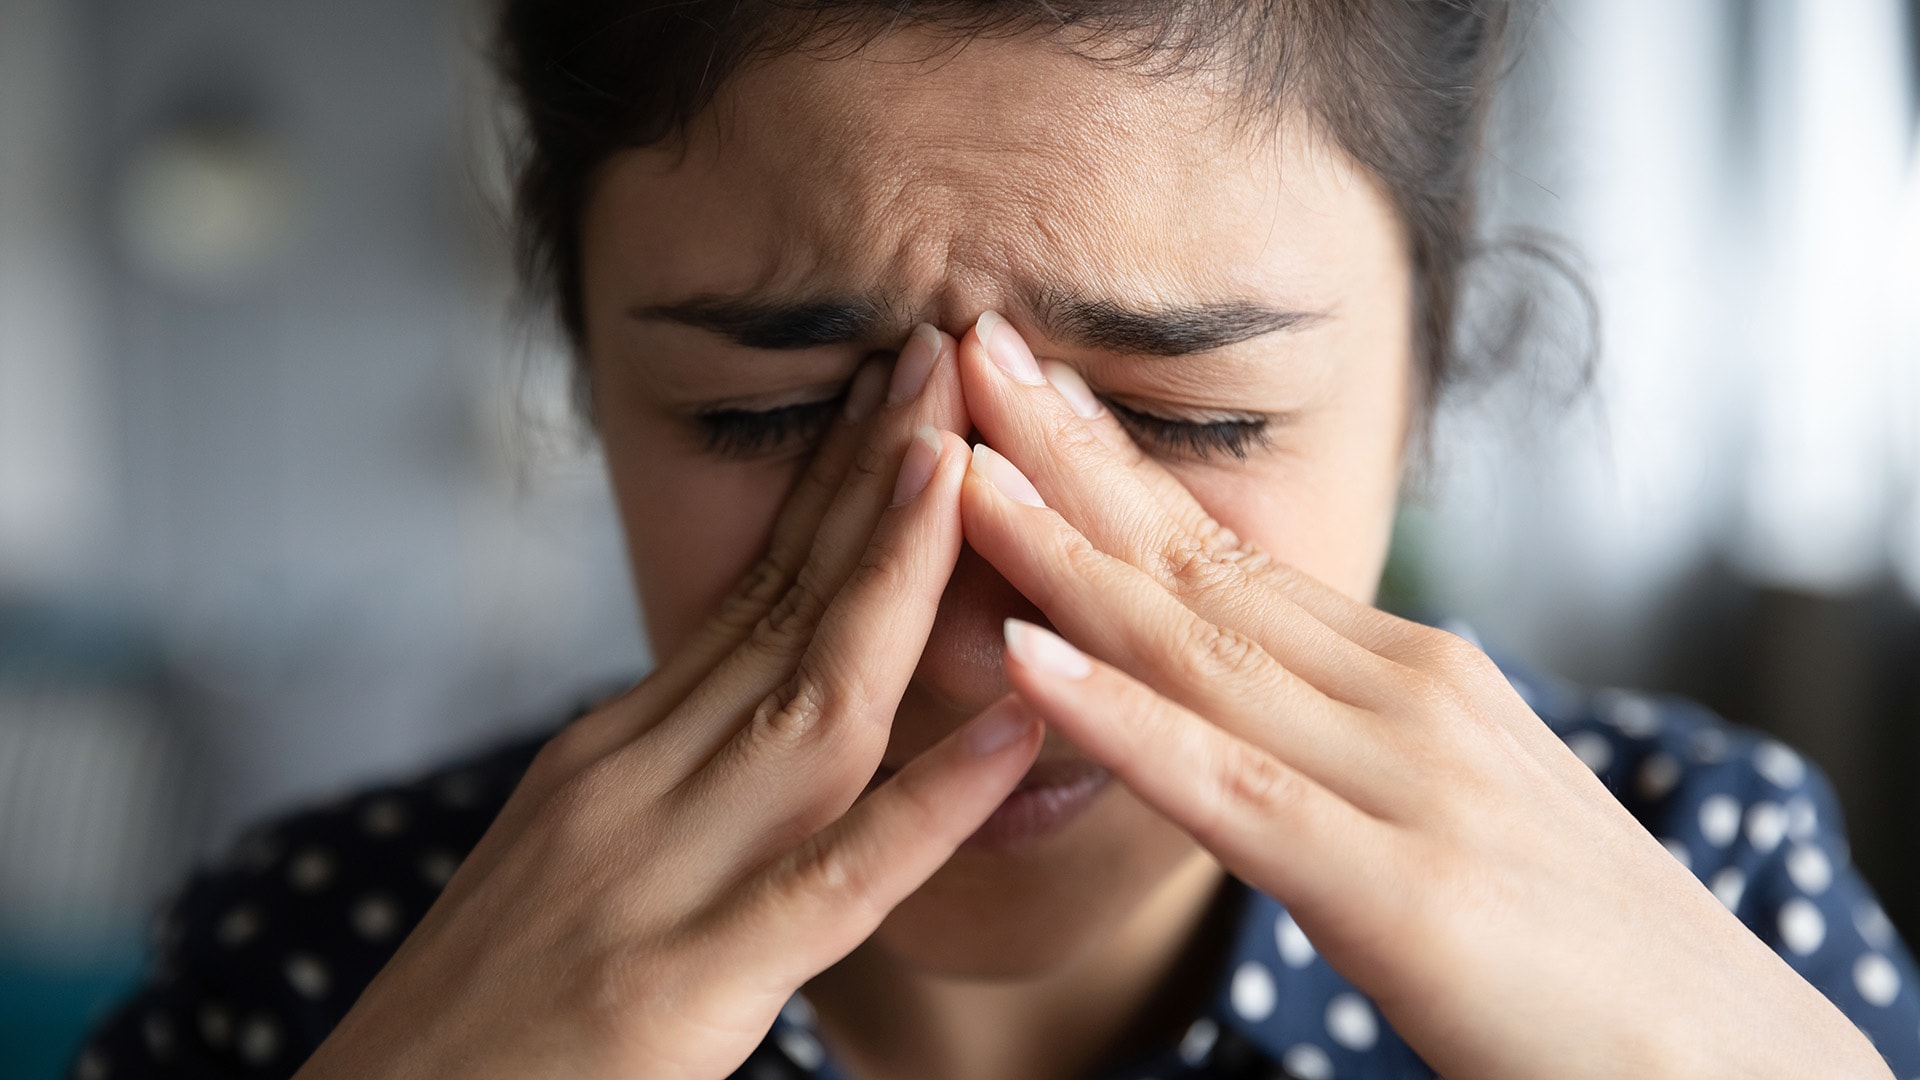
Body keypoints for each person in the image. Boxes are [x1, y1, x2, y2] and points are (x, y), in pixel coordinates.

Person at [71, 2, 1920, 1077]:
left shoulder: (1711, 889)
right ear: (584, 368)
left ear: (1426, 377)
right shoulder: (332, 960)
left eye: (1189, 424)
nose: (982, 634)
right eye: (771, 418)